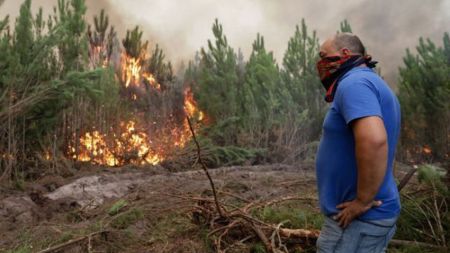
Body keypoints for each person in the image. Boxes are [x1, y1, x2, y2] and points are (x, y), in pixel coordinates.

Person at [315, 33, 401, 253]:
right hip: (361, 222)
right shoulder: (367, 81)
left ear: (345, 54)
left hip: (357, 222)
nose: (320, 64)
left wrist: (363, 201)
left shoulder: (354, 83)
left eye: (324, 56)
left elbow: (374, 140)